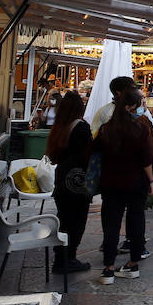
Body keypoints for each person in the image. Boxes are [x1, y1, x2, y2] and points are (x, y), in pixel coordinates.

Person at [95, 88, 153, 285]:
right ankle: (133, 264)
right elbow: (146, 159)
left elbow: (94, 152)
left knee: (111, 224)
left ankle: (108, 268)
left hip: (110, 181)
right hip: (136, 181)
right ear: (131, 107)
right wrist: (150, 181)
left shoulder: (106, 129)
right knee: (136, 221)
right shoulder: (139, 129)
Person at [45, 90, 92, 275]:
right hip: (77, 180)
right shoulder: (81, 127)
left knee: (64, 218)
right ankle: (68, 258)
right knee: (77, 220)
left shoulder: (60, 127)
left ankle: (60, 257)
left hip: (62, 177)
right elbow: (86, 155)